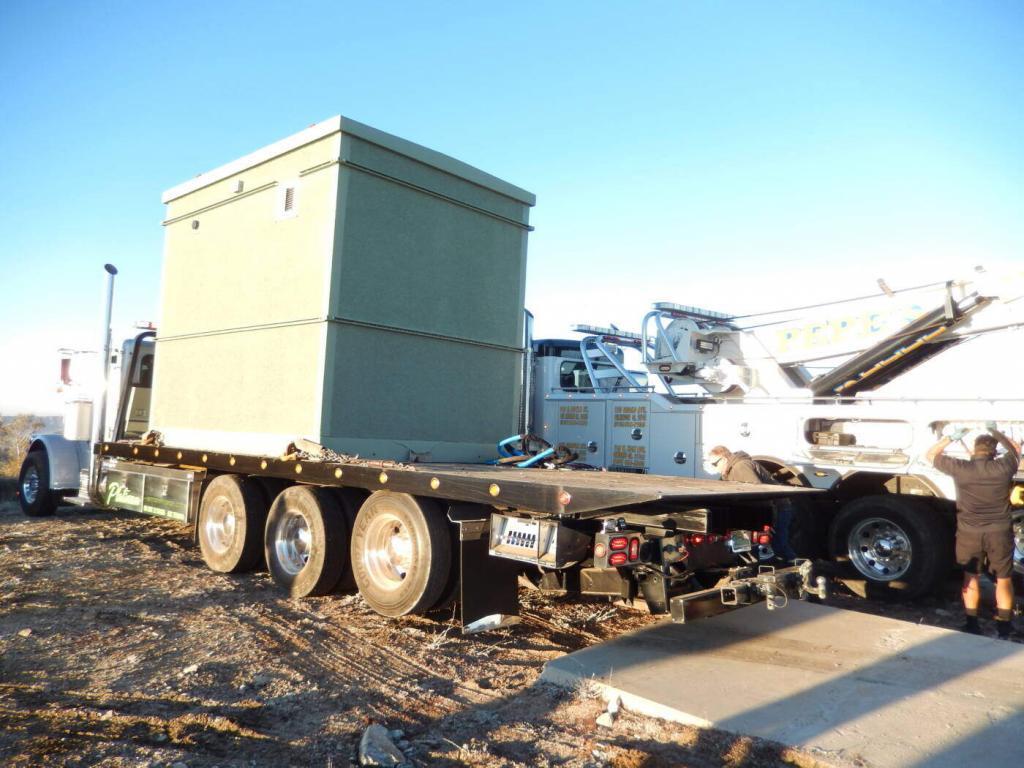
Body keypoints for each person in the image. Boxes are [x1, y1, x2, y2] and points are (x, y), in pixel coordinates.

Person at [926, 423, 1020, 639]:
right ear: (994, 452)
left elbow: (930, 454)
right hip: (999, 533)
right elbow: (1015, 449)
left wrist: (954, 436)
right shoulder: (1004, 467)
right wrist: (996, 432)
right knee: (1004, 580)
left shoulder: (961, 469)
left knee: (971, 577)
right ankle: (1004, 627)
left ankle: (972, 624)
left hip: (969, 534)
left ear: (974, 451)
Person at [704, 445, 797, 561]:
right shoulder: (729, 472)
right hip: (766, 510)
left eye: (715, 464)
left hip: (778, 509)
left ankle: (796, 568)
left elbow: (759, 495)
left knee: (778, 546)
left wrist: (769, 521)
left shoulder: (741, 467)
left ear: (724, 459)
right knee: (759, 547)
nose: (715, 468)